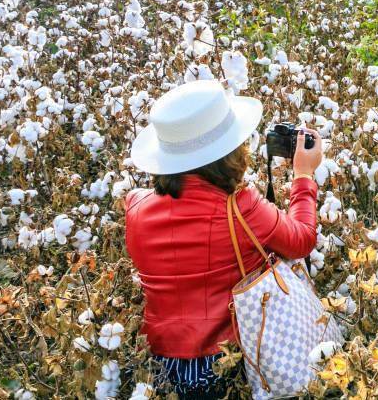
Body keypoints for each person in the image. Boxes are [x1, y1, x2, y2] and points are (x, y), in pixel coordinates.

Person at [124, 80, 324, 399]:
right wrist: (303, 176)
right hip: (225, 363)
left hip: (159, 365)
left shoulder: (135, 207)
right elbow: (301, 240)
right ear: (230, 150)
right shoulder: (241, 207)